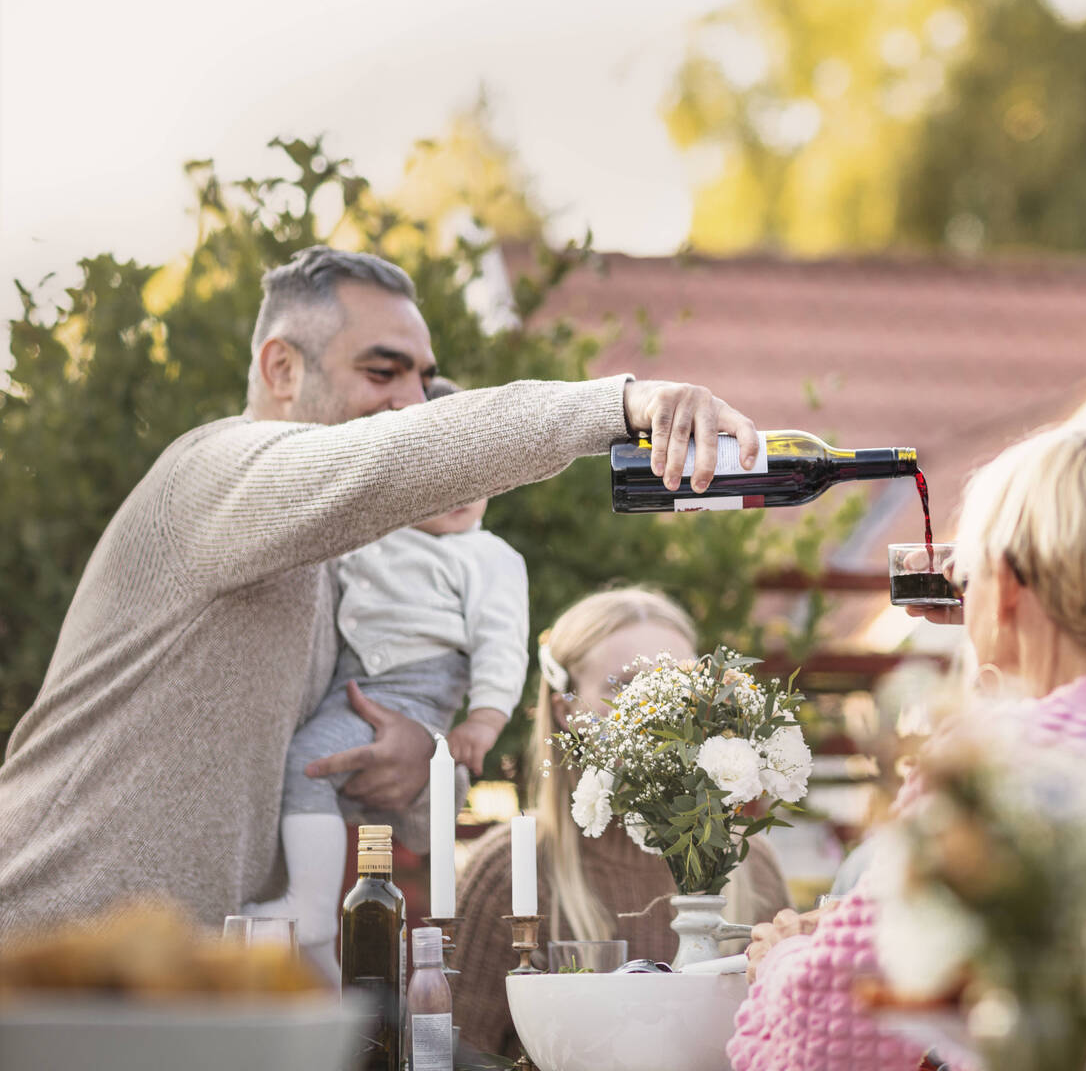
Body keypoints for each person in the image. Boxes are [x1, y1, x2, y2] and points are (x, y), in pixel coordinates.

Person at [0, 246, 758, 940]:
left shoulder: (358, 566)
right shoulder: (211, 474)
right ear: (281, 370)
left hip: (180, 979)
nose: (415, 405)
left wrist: (419, 757)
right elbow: (396, 456)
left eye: (425, 382)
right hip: (37, 938)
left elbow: (403, 812)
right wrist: (617, 406)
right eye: (382, 372)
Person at [728, 427, 1086, 1071]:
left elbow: (832, 1031)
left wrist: (783, 958)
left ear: (1007, 584)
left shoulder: (983, 760)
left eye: (968, 577)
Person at [242, 377, 530, 967]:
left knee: (307, 765)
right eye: (441, 474)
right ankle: (319, 954)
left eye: (477, 475)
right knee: (307, 774)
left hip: (416, 691)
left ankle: (313, 905)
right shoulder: (374, 533)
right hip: (354, 680)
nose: (462, 491)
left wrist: (484, 719)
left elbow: (503, 641)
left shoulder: (487, 555)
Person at [452, 587, 791, 1062]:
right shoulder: (507, 872)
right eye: (623, 686)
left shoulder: (753, 866)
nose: (659, 711)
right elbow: (455, 1054)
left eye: (680, 685)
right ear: (565, 710)